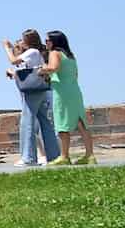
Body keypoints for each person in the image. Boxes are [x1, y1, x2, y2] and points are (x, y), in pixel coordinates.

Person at [2, 29, 60, 166]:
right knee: (45, 122)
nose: (21, 42)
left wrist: (7, 48)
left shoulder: (32, 51)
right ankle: (53, 155)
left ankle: (28, 157)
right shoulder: (35, 53)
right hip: (39, 89)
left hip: (32, 92)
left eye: (22, 39)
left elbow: (14, 61)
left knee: (27, 122)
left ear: (28, 41)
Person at [39, 30, 94, 165]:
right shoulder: (70, 56)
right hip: (74, 91)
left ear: (54, 41)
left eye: (47, 40)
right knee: (81, 123)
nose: (46, 43)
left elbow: (54, 67)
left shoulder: (54, 53)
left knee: (62, 123)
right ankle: (90, 155)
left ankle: (64, 156)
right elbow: (75, 75)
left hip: (62, 92)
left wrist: (42, 69)